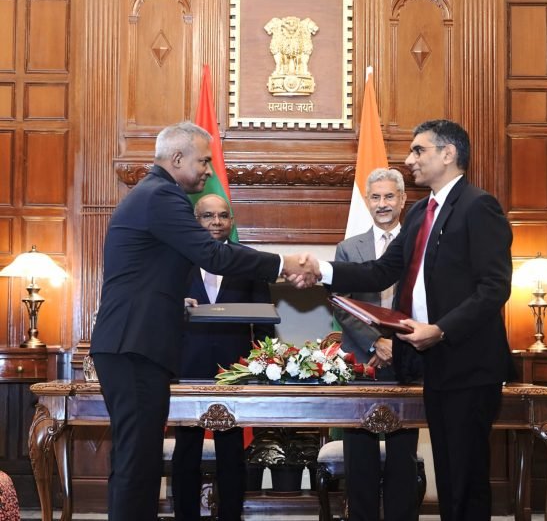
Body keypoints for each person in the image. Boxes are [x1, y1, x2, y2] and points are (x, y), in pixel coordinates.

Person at [89, 121, 318, 521]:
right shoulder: (162, 195)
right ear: (177, 159)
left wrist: (174, 302)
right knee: (137, 463)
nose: (209, 171)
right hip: (134, 347)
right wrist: (284, 263)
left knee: (137, 460)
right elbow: (214, 255)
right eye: (204, 161)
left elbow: (147, 274)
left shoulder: (151, 194)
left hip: (134, 344)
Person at [307, 119, 514, 521]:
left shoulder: (478, 206)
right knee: (450, 473)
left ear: (448, 154)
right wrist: (323, 270)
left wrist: (440, 328)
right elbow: (380, 271)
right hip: (432, 362)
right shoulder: (421, 211)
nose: (409, 159)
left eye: (418, 150)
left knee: (466, 478)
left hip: (468, 363)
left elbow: (494, 288)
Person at [172, 194, 275, 521]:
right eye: (207, 216)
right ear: (195, 219)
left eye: (222, 216)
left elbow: (264, 323)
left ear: (231, 221)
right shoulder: (175, 262)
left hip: (235, 373)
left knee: (232, 453)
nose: (216, 222)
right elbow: (156, 316)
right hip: (187, 371)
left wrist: (262, 367)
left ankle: (231, 516)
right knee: (185, 450)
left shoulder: (249, 260)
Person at [334, 167, 420, 521]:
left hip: (408, 358)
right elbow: (340, 303)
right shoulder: (348, 248)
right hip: (362, 363)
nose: (382, 204)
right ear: (366, 201)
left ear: (402, 200)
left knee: (402, 454)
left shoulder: (418, 244)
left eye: (389, 196)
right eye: (376, 197)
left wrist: (396, 344)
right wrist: (375, 343)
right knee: (360, 456)